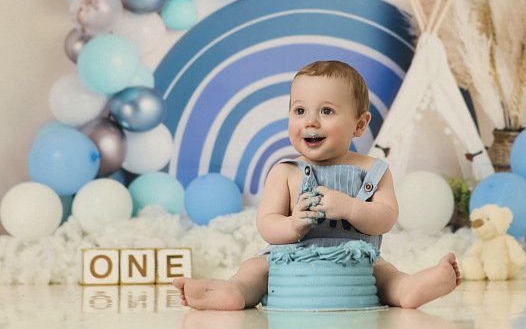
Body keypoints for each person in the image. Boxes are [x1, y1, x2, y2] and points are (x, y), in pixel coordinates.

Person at [173, 60, 461, 310]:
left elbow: (385, 218)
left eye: (326, 111)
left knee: (385, 274)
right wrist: (293, 224)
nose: (310, 121)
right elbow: (266, 224)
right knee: (255, 269)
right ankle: (232, 292)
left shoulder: (373, 171)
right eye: (299, 111)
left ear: (359, 125)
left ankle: (410, 289)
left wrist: (350, 207)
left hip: (357, 260)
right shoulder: (285, 172)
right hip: (288, 259)